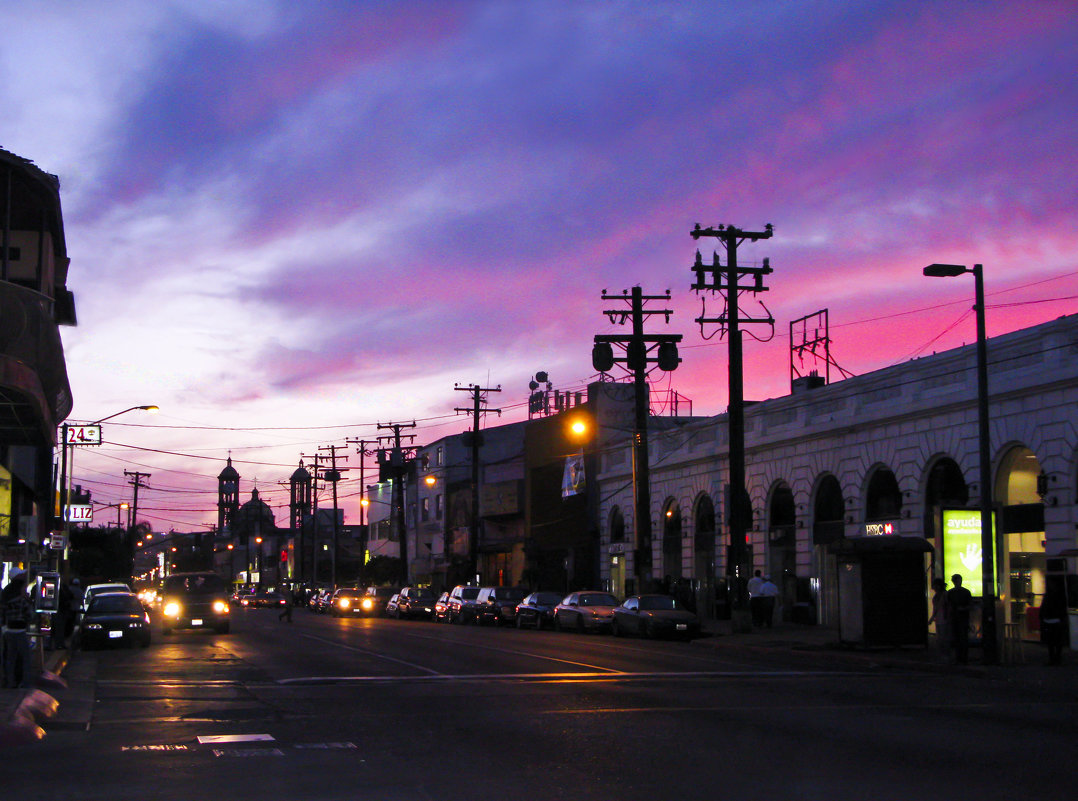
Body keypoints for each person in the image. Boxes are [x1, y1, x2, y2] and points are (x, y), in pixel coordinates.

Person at [1, 570, 37, 688]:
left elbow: (3, 612)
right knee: (25, 659)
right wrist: (28, 600)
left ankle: (10, 681)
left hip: (9, 630)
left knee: (10, 659)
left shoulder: (6, 593)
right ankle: (24, 683)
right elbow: (30, 616)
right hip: (20, 631)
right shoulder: (21, 599)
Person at [1039, 578, 1067, 666]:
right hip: (1056, 620)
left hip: (1048, 620)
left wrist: (1042, 618)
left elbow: (1043, 608)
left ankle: (1052, 659)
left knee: (1051, 642)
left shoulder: (1047, 596)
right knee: (1057, 642)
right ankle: (1057, 659)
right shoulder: (1060, 596)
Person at [946, 573, 973, 664]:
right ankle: (963, 658)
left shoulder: (951, 593)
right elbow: (970, 605)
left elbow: (948, 606)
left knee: (957, 638)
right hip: (962, 618)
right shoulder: (966, 592)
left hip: (956, 618)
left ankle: (959, 658)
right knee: (963, 638)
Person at [927, 577, 950, 662]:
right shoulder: (940, 595)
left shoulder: (942, 595)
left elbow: (940, 607)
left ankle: (944, 655)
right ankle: (943, 655)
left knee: (942, 637)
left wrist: (932, 618)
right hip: (941, 618)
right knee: (941, 637)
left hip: (943, 618)